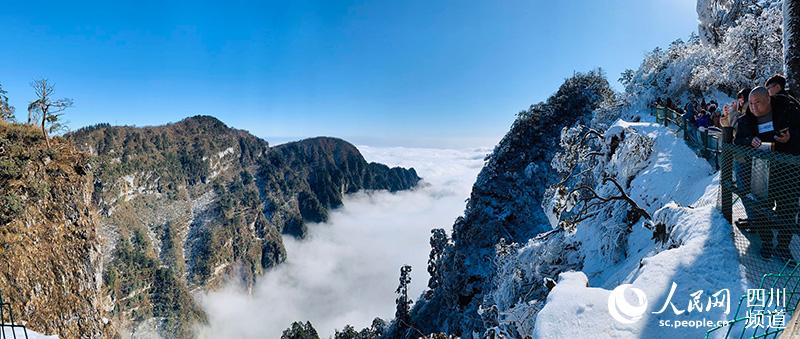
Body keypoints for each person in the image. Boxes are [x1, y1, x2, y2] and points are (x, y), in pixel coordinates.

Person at [733, 86, 800, 260]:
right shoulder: (746, 120)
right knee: (761, 206)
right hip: (761, 171)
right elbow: (737, 140)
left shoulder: (787, 110)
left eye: (758, 103)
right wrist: (749, 140)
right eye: (751, 103)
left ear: (768, 99)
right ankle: (767, 241)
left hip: (788, 170)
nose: (754, 107)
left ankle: (784, 246)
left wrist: (790, 137)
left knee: (788, 209)